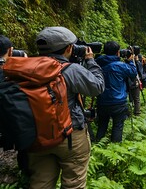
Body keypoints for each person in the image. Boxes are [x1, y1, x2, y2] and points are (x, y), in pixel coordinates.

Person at [27, 26, 105, 189]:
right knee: (73, 183)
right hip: (69, 134)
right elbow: (97, 87)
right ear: (69, 48)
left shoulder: (27, 68)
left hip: (37, 135)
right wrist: (90, 61)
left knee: (40, 183)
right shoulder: (71, 70)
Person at [95, 41, 137, 142]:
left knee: (102, 126)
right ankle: (115, 149)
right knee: (117, 127)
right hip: (118, 102)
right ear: (118, 52)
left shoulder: (97, 63)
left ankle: (97, 147)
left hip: (102, 101)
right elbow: (133, 73)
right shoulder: (120, 66)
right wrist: (130, 61)